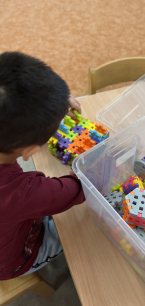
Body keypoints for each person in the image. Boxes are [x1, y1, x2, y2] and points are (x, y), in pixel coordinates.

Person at [0, 51, 85, 280]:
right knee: (80, 229)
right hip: (11, 261)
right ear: (30, 151)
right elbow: (79, 187)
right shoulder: (23, 193)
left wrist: (48, 108)